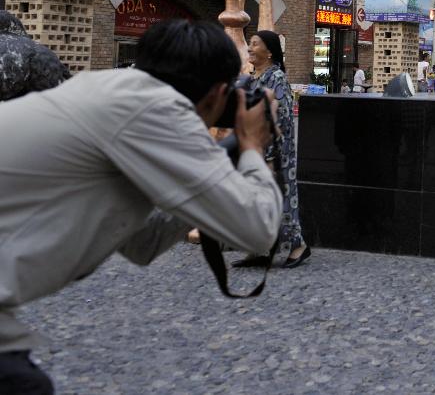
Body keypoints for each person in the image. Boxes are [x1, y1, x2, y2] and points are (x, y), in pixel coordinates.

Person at [0, 20, 282, 393]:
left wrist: (216, 165)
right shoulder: (156, 109)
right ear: (217, 93)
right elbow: (259, 228)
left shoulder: (106, 90)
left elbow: (142, 242)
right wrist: (252, 147)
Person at [235, 30, 310, 269]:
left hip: (275, 152)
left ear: (269, 51)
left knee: (280, 198)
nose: (249, 48)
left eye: (254, 44)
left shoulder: (276, 77)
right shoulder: (253, 77)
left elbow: (283, 117)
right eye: (249, 43)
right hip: (254, 149)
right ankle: (262, 247)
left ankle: (298, 246)